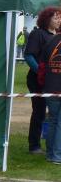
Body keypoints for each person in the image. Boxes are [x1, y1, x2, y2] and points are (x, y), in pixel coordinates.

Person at [24, 7, 61, 154]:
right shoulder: (38, 34)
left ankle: (53, 145)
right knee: (39, 111)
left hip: (55, 82)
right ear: (47, 19)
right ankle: (34, 145)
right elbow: (29, 56)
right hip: (38, 80)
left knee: (54, 114)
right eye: (56, 18)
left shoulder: (58, 35)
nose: (59, 20)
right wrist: (42, 73)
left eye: (60, 18)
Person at [38, 30, 61, 163]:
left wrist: (44, 83)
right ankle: (57, 156)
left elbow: (42, 66)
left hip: (50, 87)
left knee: (53, 120)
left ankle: (50, 154)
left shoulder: (50, 40)